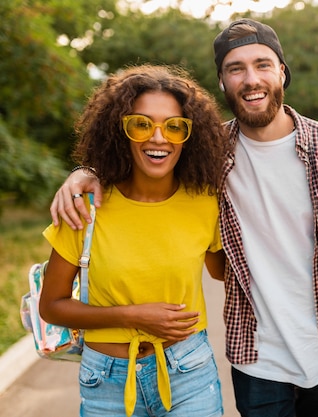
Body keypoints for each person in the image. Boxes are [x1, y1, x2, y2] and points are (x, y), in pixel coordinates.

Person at [49, 19, 318, 417]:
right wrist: (84, 173)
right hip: (255, 353)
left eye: (262, 64)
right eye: (235, 68)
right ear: (222, 82)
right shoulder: (209, 154)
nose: (251, 79)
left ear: (282, 71)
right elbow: (144, 154)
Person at [40, 64, 228, 417]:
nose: (159, 137)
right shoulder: (86, 207)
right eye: (141, 124)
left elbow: (225, 272)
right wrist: (133, 316)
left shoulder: (205, 201)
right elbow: (51, 305)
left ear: (190, 136)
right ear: (119, 130)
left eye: (174, 126)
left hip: (188, 372)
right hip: (106, 382)